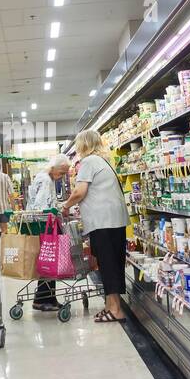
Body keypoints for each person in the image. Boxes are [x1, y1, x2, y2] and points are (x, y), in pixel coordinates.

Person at [62, 129, 129, 322]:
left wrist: (65, 206)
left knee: (107, 264)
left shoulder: (89, 161)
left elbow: (79, 192)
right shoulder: (102, 160)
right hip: (114, 219)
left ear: (84, 144)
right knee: (112, 263)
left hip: (103, 221)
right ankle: (111, 306)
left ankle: (116, 309)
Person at [26, 154, 70, 312]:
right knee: (49, 261)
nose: (62, 176)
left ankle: (49, 298)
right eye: (62, 172)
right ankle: (42, 299)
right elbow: (42, 207)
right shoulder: (46, 180)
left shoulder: (45, 177)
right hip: (45, 226)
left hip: (43, 226)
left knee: (49, 261)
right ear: (54, 168)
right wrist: (59, 210)